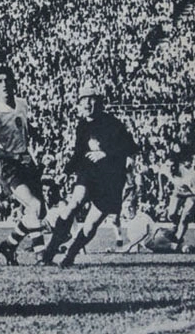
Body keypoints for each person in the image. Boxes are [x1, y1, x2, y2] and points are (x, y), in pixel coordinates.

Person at [41, 83, 139, 268]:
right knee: (74, 203)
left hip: (110, 179)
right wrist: (65, 172)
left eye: (91, 99)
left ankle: (70, 254)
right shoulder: (82, 126)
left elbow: (131, 148)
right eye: (83, 100)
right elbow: (79, 154)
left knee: (92, 224)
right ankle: (50, 250)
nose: (87, 104)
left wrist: (107, 153)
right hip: (89, 173)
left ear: (100, 102)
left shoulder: (113, 124)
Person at [0, 66, 47, 266]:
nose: (4, 85)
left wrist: (35, 133)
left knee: (39, 211)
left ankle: (9, 245)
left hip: (25, 160)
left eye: (7, 80)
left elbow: (22, 125)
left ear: (14, 81)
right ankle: (42, 256)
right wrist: (15, 157)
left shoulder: (22, 104)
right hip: (7, 165)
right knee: (34, 206)